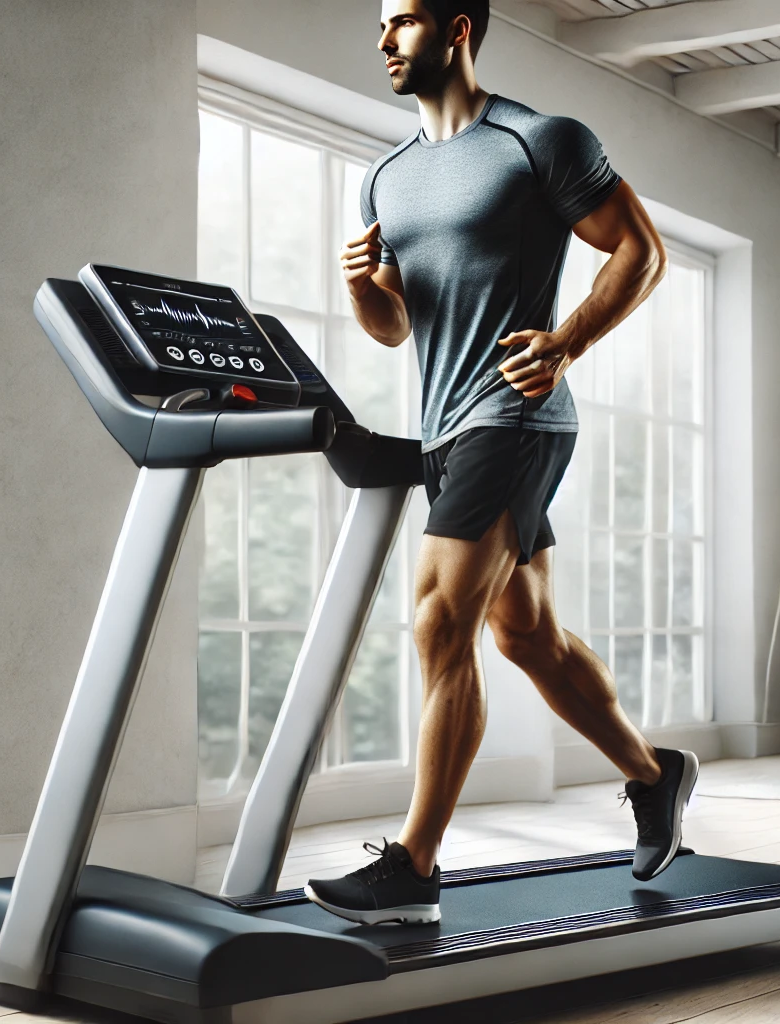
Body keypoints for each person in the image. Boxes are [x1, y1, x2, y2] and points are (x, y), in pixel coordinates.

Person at [304, 0, 699, 926]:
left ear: (458, 29)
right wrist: (363, 285)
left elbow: (641, 250)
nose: (384, 40)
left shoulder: (539, 139)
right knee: (525, 636)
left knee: (440, 623)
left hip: (515, 417)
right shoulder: (386, 178)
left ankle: (415, 866)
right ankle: (655, 774)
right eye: (381, 25)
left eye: (401, 20)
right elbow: (397, 327)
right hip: (444, 427)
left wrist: (564, 342)